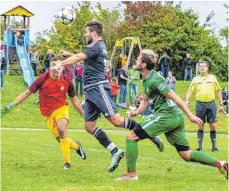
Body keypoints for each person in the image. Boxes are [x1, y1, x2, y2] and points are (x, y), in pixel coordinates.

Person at [60, 21, 164, 173]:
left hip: (98, 87)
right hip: (90, 91)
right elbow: (83, 58)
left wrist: (60, 64)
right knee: (89, 126)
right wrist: (69, 55)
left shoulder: (95, 46)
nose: (85, 34)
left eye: (86, 32)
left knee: (116, 121)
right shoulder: (96, 47)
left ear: (93, 33)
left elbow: (78, 58)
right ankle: (114, 151)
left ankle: (149, 132)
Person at [115, 49, 228, 181]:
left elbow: (175, 98)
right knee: (186, 154)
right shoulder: (146, 80)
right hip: (174, 117)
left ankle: (131, 174)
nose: (136, 61)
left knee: (131, 136)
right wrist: (135, 112)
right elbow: (145, 102)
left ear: (144, 64)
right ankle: (221, 164)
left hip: (167, 115)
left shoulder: (155, 79)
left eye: (139, 59)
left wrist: (190, 115)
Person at [1, 57, 86, 169]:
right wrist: (11, 105)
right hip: (47, 113)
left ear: (62, 67)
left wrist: (84, 115)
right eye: (53, 65)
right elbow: (26, 93)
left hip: (61, 108)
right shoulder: (42, 79)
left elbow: (74, 99)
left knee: (62, 129)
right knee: (61, 140)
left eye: (58, 65)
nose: (56, 68)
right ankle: (76, 146)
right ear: (50, 68)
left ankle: (67, 163)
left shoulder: (67, 82)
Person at [185, 60, 223, 152]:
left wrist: (221, 104)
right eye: (200, 66)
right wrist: (187, 100)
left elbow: (218, 91)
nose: (202, 67)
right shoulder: (195, 79)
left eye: (203, 66)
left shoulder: (213, 78)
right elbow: (190, 91)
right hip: (200, 104)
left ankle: (214, 147)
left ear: (207, 68)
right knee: (200, 125)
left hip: (211, 104)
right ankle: (200, 148)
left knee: (212, 125)